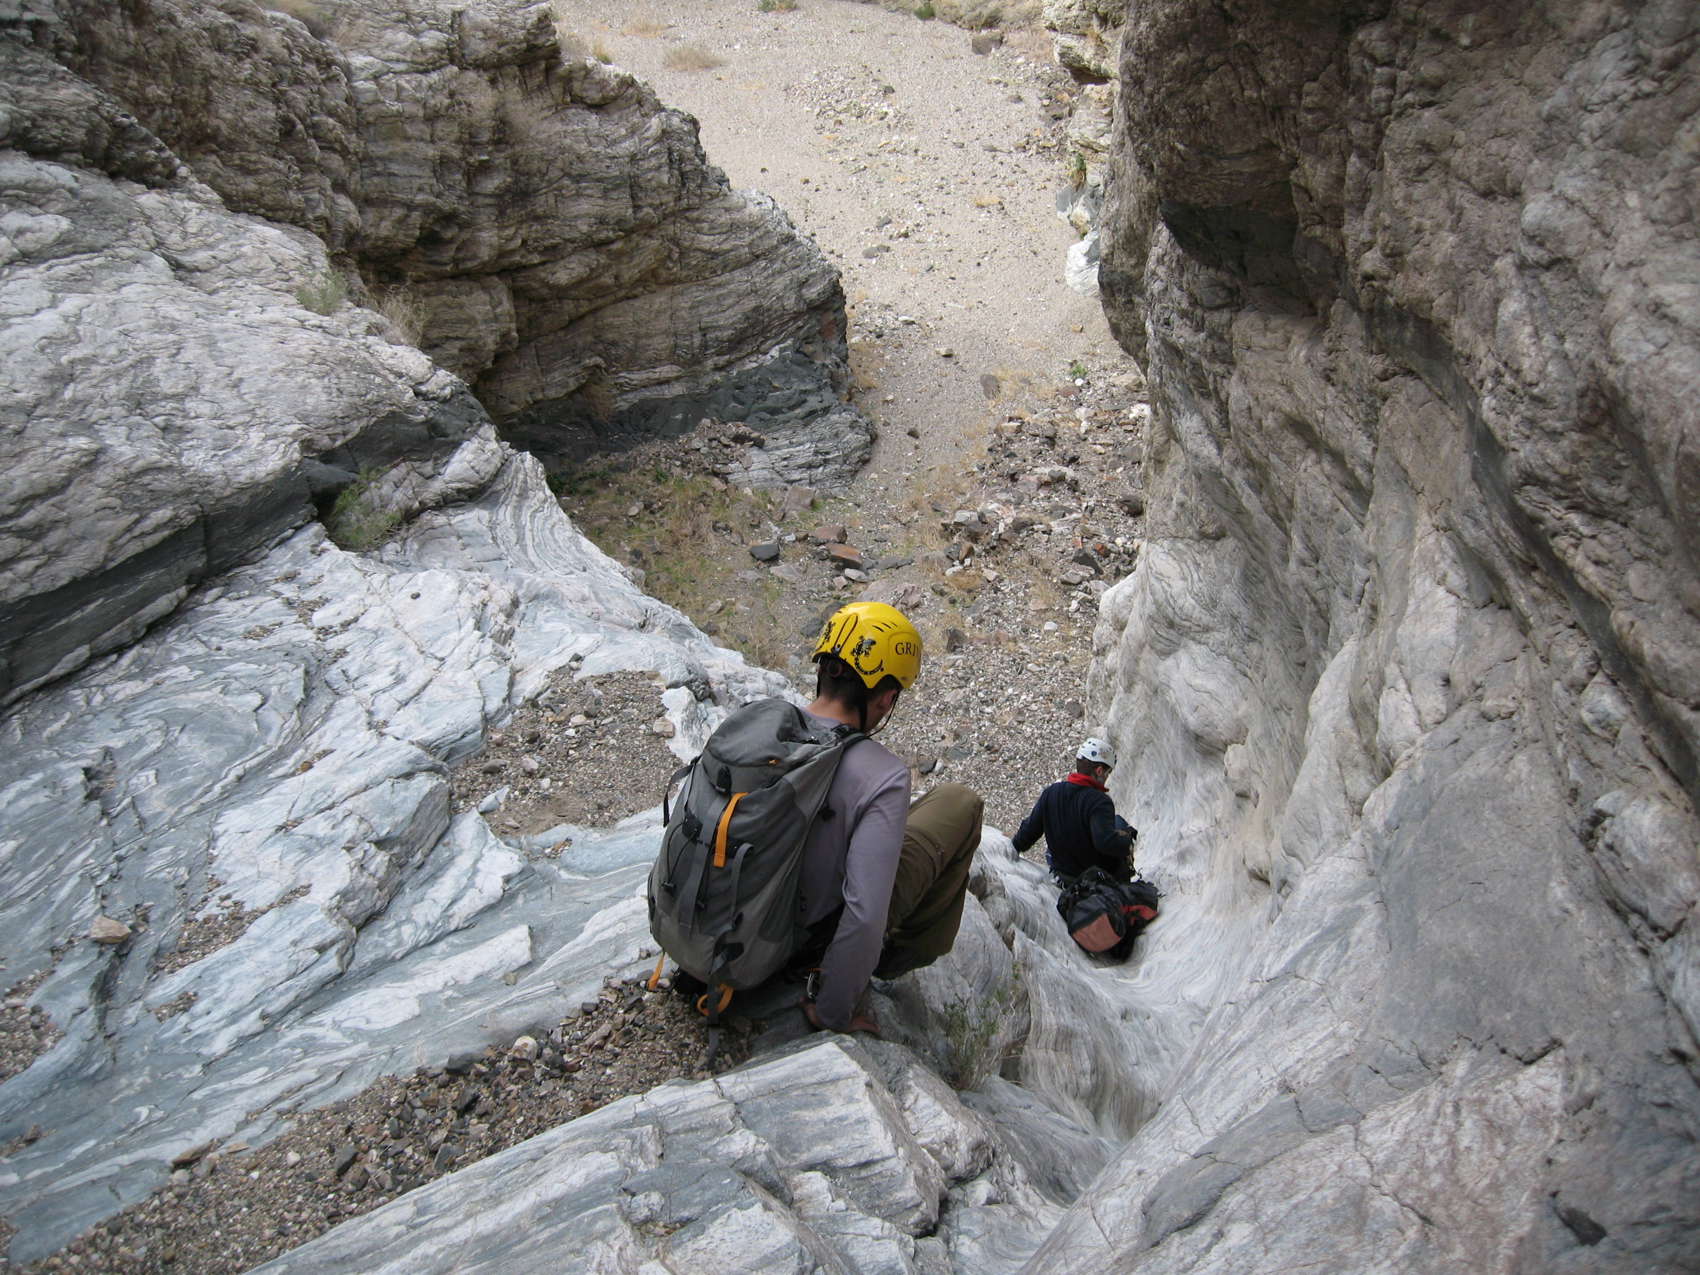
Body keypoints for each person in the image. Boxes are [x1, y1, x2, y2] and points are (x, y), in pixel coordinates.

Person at [793, 601, 983, 1035]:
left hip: (721, 933)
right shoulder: (882, 775)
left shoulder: (757, 726)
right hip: (802, 943)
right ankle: (893, 955)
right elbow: (863, 914)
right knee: (960, 803)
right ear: (886, 697)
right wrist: (834, 1010)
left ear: (822, 668)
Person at [1012, 736, 1136, 884]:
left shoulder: (1051, 792)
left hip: (1063, 873)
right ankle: (1123, 884)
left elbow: (1029, 832)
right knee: (1120, 824)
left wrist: (1014, 847)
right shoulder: (1100, 801)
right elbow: (1105, 843)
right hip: (1094, 876)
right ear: (1099, 771)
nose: (1106, 778)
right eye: (1107, 773)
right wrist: (1127, 842)